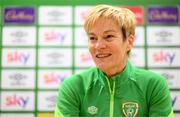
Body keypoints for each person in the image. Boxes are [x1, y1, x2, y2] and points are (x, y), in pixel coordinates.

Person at [54, 4, 173, 117]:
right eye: (93, 38)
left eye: (109, 36)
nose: (98, 46)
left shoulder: (154, 85)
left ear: (129, 42)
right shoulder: (73, 86)